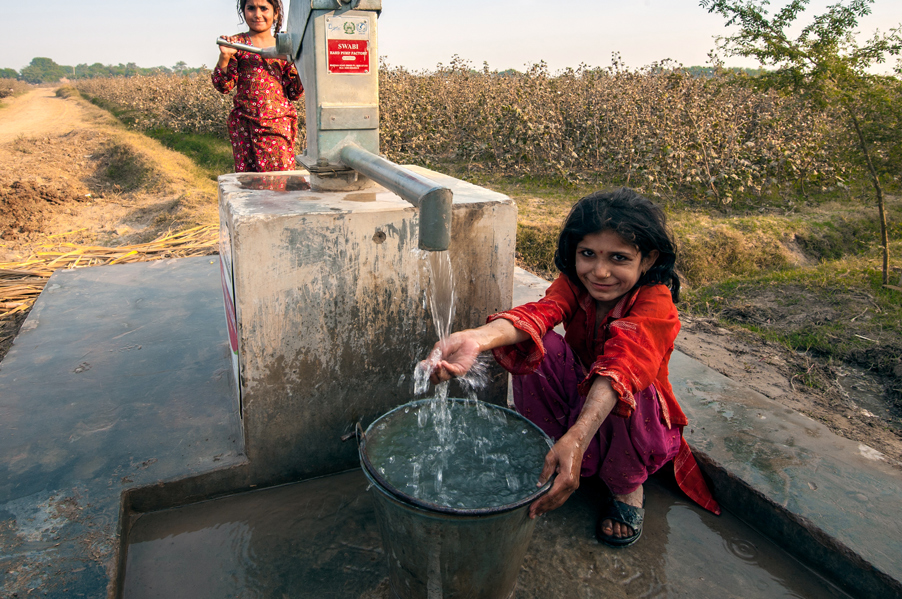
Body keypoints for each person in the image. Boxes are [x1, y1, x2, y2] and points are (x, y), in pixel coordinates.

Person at [424, 188, 720, 547]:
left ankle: (626, 488)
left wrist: (578, 437)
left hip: (632, 413)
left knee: (632, 388)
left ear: (647, 259)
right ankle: (553, 449)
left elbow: (622, 366)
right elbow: (538, 315)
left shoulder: (655, 303)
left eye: (619, 258)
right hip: (584, 396)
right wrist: (475, 338)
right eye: (588, 255)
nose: (601, 271)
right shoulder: (575, 286)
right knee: (539, 344)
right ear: (574, 253)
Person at [213, 0, 303, 172]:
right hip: (245, 126)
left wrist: (297, 60)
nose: (257, 14)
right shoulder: (237, 44)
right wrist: (225, 56)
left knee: (280, 185)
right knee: (249, 185)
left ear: (275, 13)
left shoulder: (284, 45)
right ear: (243, 11)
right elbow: (223, 86)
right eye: (251, 8)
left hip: (277, 125)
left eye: (264, 8)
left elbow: (294, 92)